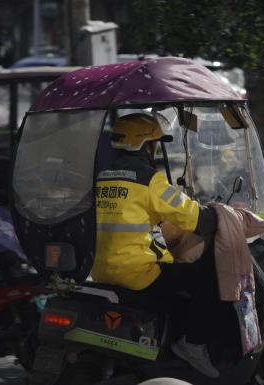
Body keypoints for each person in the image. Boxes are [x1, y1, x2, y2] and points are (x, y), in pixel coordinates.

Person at [92, 113, 221, 378]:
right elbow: (193, 218)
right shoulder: (149, 179)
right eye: (154, 143)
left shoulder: (102, 178)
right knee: (208, 280)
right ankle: (191, 345)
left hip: (102, 271)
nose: (155, 149)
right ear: (145, 145)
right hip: (137, 272)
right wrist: (218, 215)